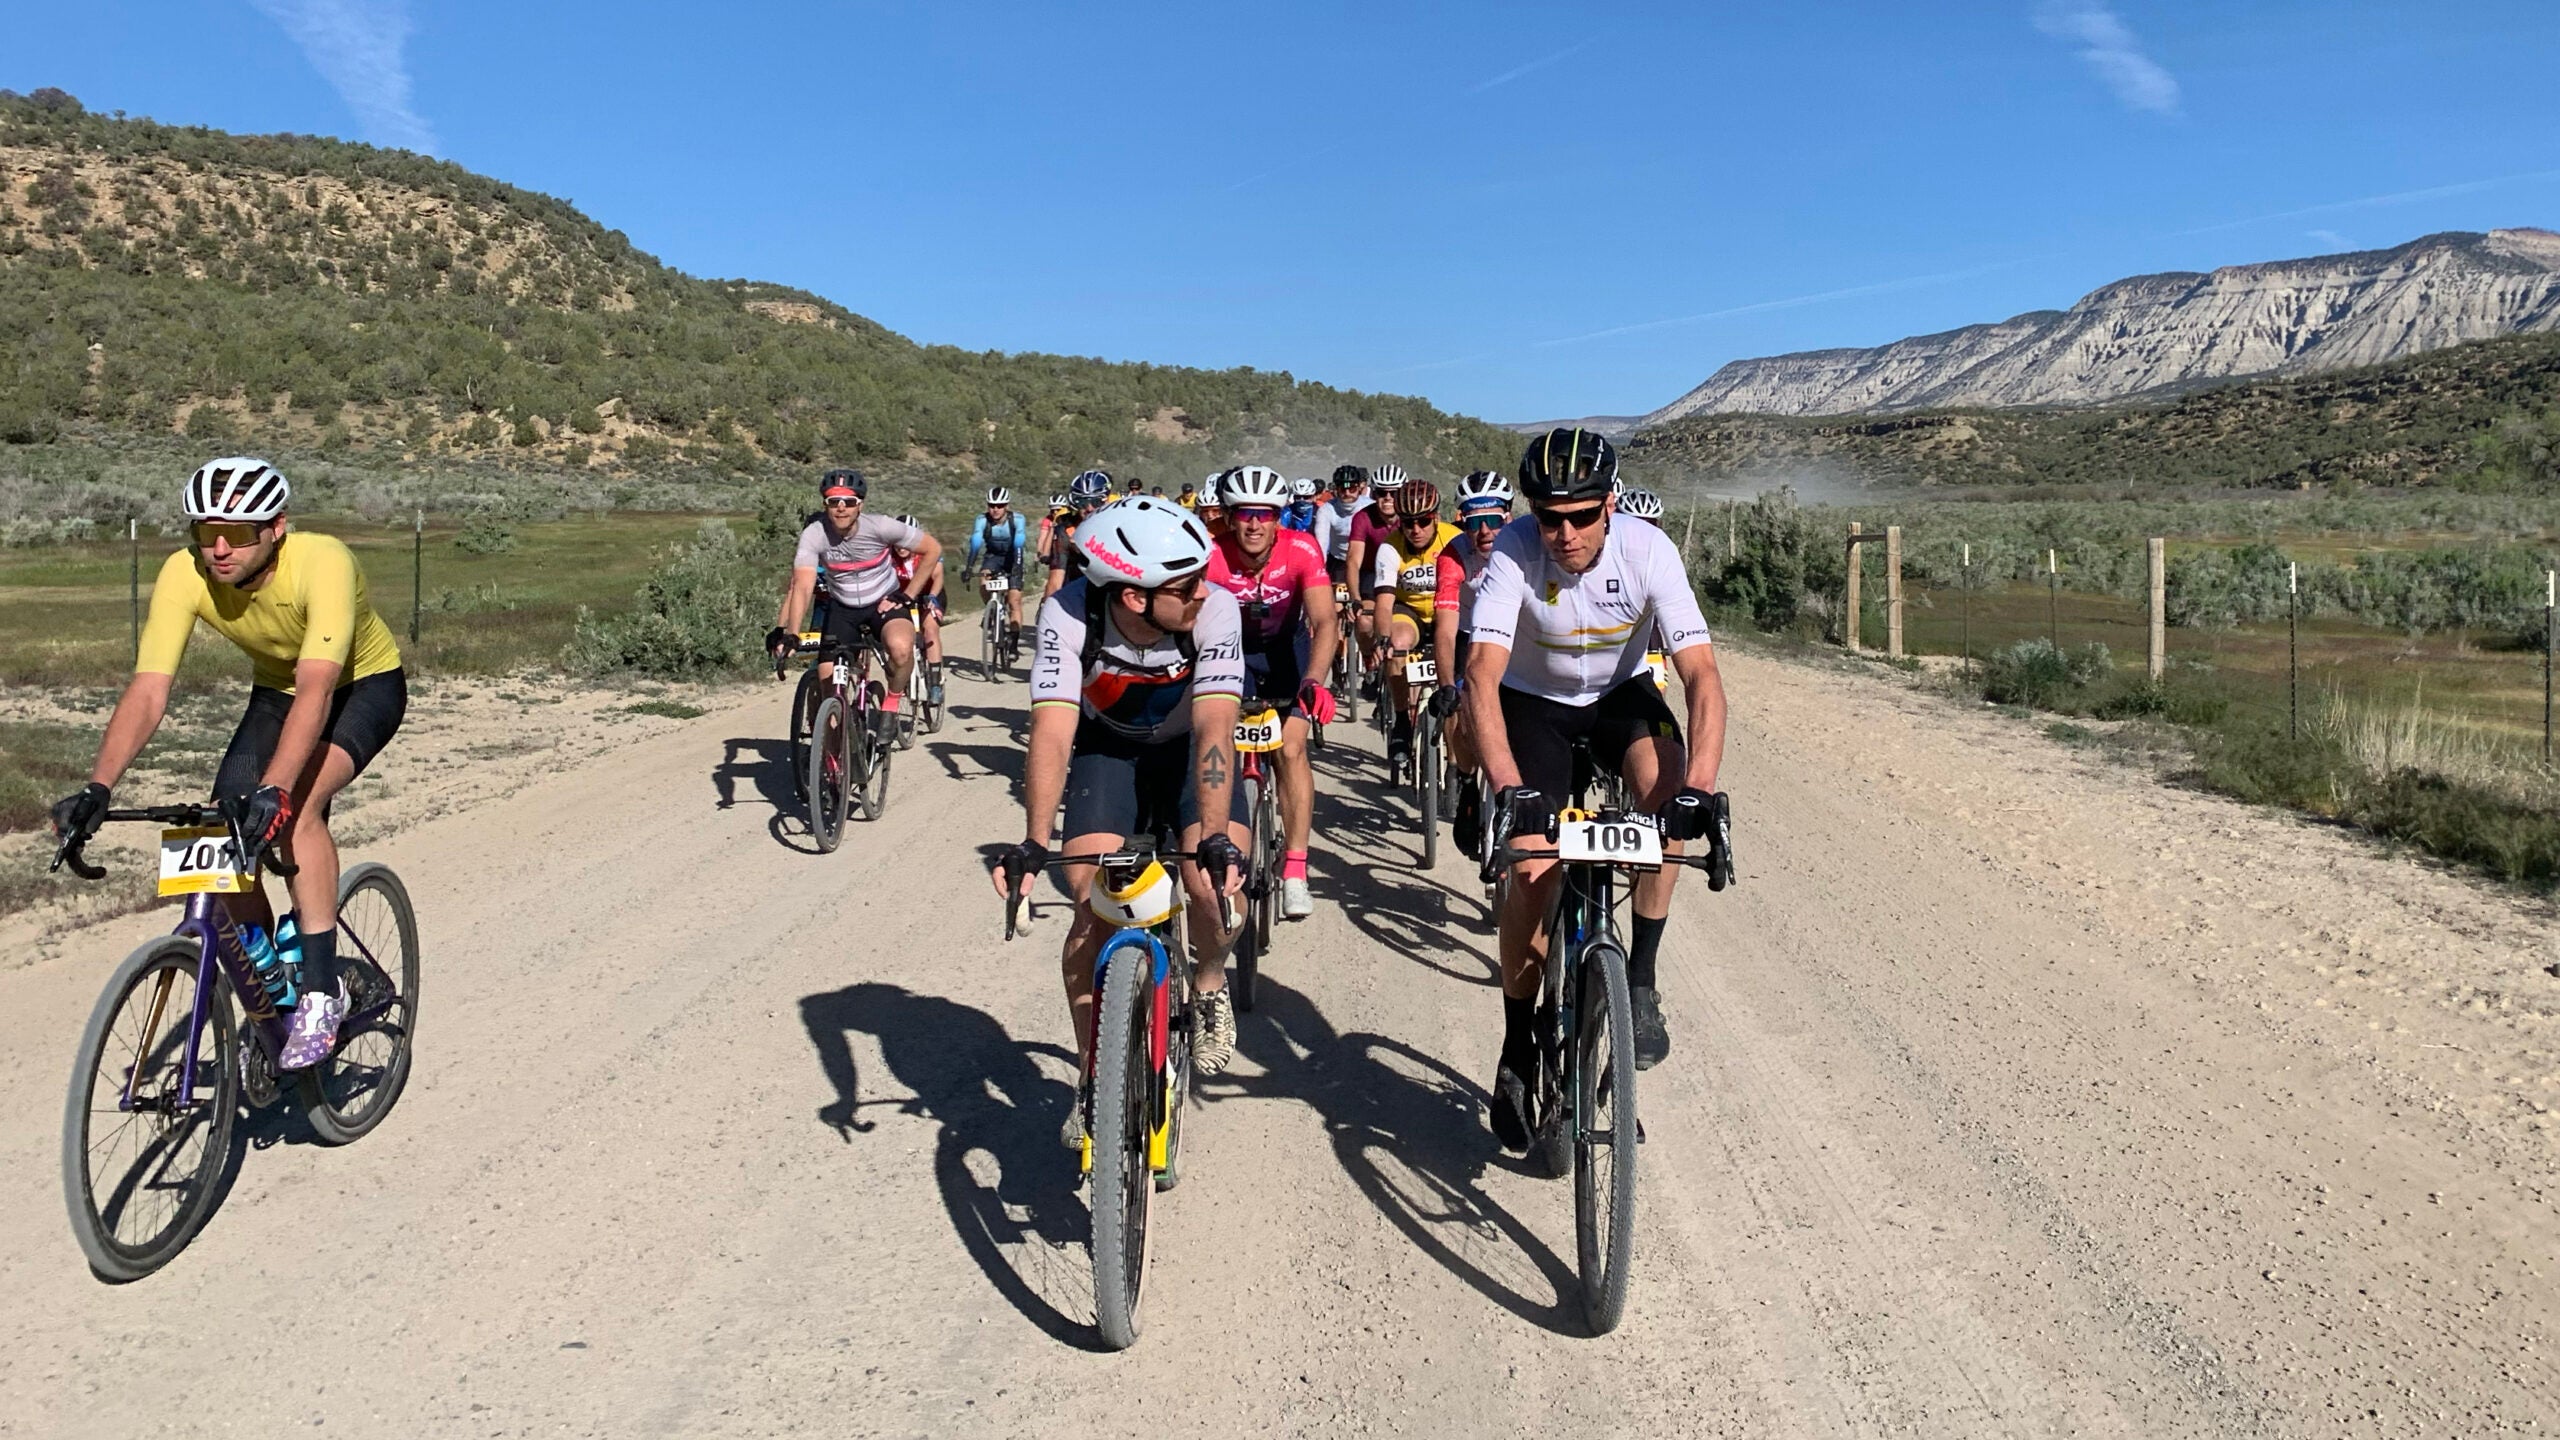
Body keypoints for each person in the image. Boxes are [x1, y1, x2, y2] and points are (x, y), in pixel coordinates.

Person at [52, 457, 408, 1070]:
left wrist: (277, 788)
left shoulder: (324, 562)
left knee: (294, 813)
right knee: (220, 829)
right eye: (205, 532)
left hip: (359, 687)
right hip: (276, 694)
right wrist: (98, 787)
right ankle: (271, 982)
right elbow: (149, 690)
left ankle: (321, 990)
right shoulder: (183, 571)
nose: (218, 549)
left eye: (238, 533)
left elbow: (317, 688)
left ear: (277, 528)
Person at [1467, 428, 1728, 1149]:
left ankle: (1639, 979)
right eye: (1550, 517)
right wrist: (1507, 787)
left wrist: (1700, 788)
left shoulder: (1649, 550)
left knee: (1667, 807)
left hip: (1620, 696)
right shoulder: (1514, 550)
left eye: (1582, 516)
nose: (1565, 534)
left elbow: (1702, 675)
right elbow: (1481, 677)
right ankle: (1518, 1041)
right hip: (1534, 704)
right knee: (1533, 866)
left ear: (1610, 505)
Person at [989, 497, 1250, 1146]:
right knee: (1093, 910)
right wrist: (1034, 840)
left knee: (1213, 889)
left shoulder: (1215, 610)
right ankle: (1093, 1079)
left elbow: (1216, 728)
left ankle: (1209, 983)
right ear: (1133, 596)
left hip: (1190, 751)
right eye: (1186, 584)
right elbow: (1053, 732)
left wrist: (1215, 835)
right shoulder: (1068, 613)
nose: (1204, 589)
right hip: (1109, 752)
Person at [1206, 465, 1340, 919]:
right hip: (1230, 653)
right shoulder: (1211, 553)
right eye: (1244, 514)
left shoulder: (1301, 549)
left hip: (1289, 653)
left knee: (1291, 749)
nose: (1254, 524)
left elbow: (1324, 621)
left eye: (1264, 514)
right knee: (1217, 744)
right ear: (1229, 517)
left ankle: (1296, 870)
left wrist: (1314, 681)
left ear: (1278, 518)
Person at [767, 469, 939, 737]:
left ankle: (891, 703)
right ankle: (834, 755)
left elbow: (932, 549)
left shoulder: (881, 526)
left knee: (901, 649)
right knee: (827, 682)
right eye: (833, 501)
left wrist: (907, 595)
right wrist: (791, 633)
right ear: (825, 504)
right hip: (842, 609)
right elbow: (801, 586)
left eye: (848, 501)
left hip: (884, 603)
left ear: (860, 504)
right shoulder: (814, 534)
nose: (841, 507)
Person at [1437, 470, 1513, 857]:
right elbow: (1445, 629)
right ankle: (1467, 781)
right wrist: (1445, 685)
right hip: (1470, 636)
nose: (1484, 531)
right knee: (1466, 712)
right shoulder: (1453, 556)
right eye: (1473, 521)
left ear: (1508, 517)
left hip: (1516, 636)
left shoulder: (1527, 545)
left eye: (1493, 520)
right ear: (1461, 521)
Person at [1367, 480, 1460, 765]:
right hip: (1410, 612)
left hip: (1447, 612)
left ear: (1436, 517)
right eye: (1408, 523)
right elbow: (1384, 602)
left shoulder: (1454, 540)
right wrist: (1383, 638)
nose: (1416, 529)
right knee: (1397, 645)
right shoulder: (1390, 547)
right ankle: (1401, 722)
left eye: (1424, 521)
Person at [1344, 463, 1406, 687]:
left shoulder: (1410, 517)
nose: (1388, 498)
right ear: (1373, 494)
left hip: (1403, 573)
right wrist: (1355, 598)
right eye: (1382, 493)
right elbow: (1353, 560)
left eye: (1394, 493)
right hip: (1372, 574)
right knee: (1363, 621)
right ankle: (1371, 662)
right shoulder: (1363, 518)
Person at [893, 515, 948, 708]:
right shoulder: (887, 555)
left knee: (930, 630)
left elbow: (938, 576)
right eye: (897, 541)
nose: (901, 546)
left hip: (929, 593)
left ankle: (935, 682)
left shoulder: (926, 550)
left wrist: (932, 597)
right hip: (903, 596)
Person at [1043, 469, 1114, 599]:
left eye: (1096, 502)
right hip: (1075, 592)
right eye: (1082, 503)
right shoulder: (1066, 530)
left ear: (1106, 501)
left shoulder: (1116, 526)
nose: (1089, 508)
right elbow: (1055, 580)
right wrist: (1047, 606)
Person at [968, 486, 1029, 638]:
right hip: (993, 557)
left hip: (1013, 556)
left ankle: (1013, 643)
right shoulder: (982, 520)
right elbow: (976, 543)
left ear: (1006, 506)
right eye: (991, 505)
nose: (995, 509)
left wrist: (1017, 566)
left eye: (1000, 506)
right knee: (984, 580)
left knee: (1014, 601)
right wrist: (969, 567)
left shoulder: (1017, 519)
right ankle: (991, 609)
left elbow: (1019, 543)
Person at [1312, 464, 1370, 584]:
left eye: (1352, 488)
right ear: (1336, 489)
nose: (1347, 493)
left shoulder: (1370, 506)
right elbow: (1321, 544)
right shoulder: (1326, 510)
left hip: (1366, 561)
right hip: (1338, 561)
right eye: (1342, 489)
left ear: (1360, 487)